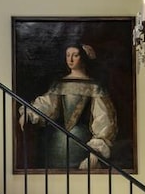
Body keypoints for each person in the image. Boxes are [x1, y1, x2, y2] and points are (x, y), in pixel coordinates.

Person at [19, 42, 118, 170]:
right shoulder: (60, 84)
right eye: (68, 55)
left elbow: (104, 118)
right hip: (56, 146)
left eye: (75, 55)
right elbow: (46, 103)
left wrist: (96, 152)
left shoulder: (94, 87)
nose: (70, 59)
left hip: (83, 147)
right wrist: (29, 113)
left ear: (83, 58)